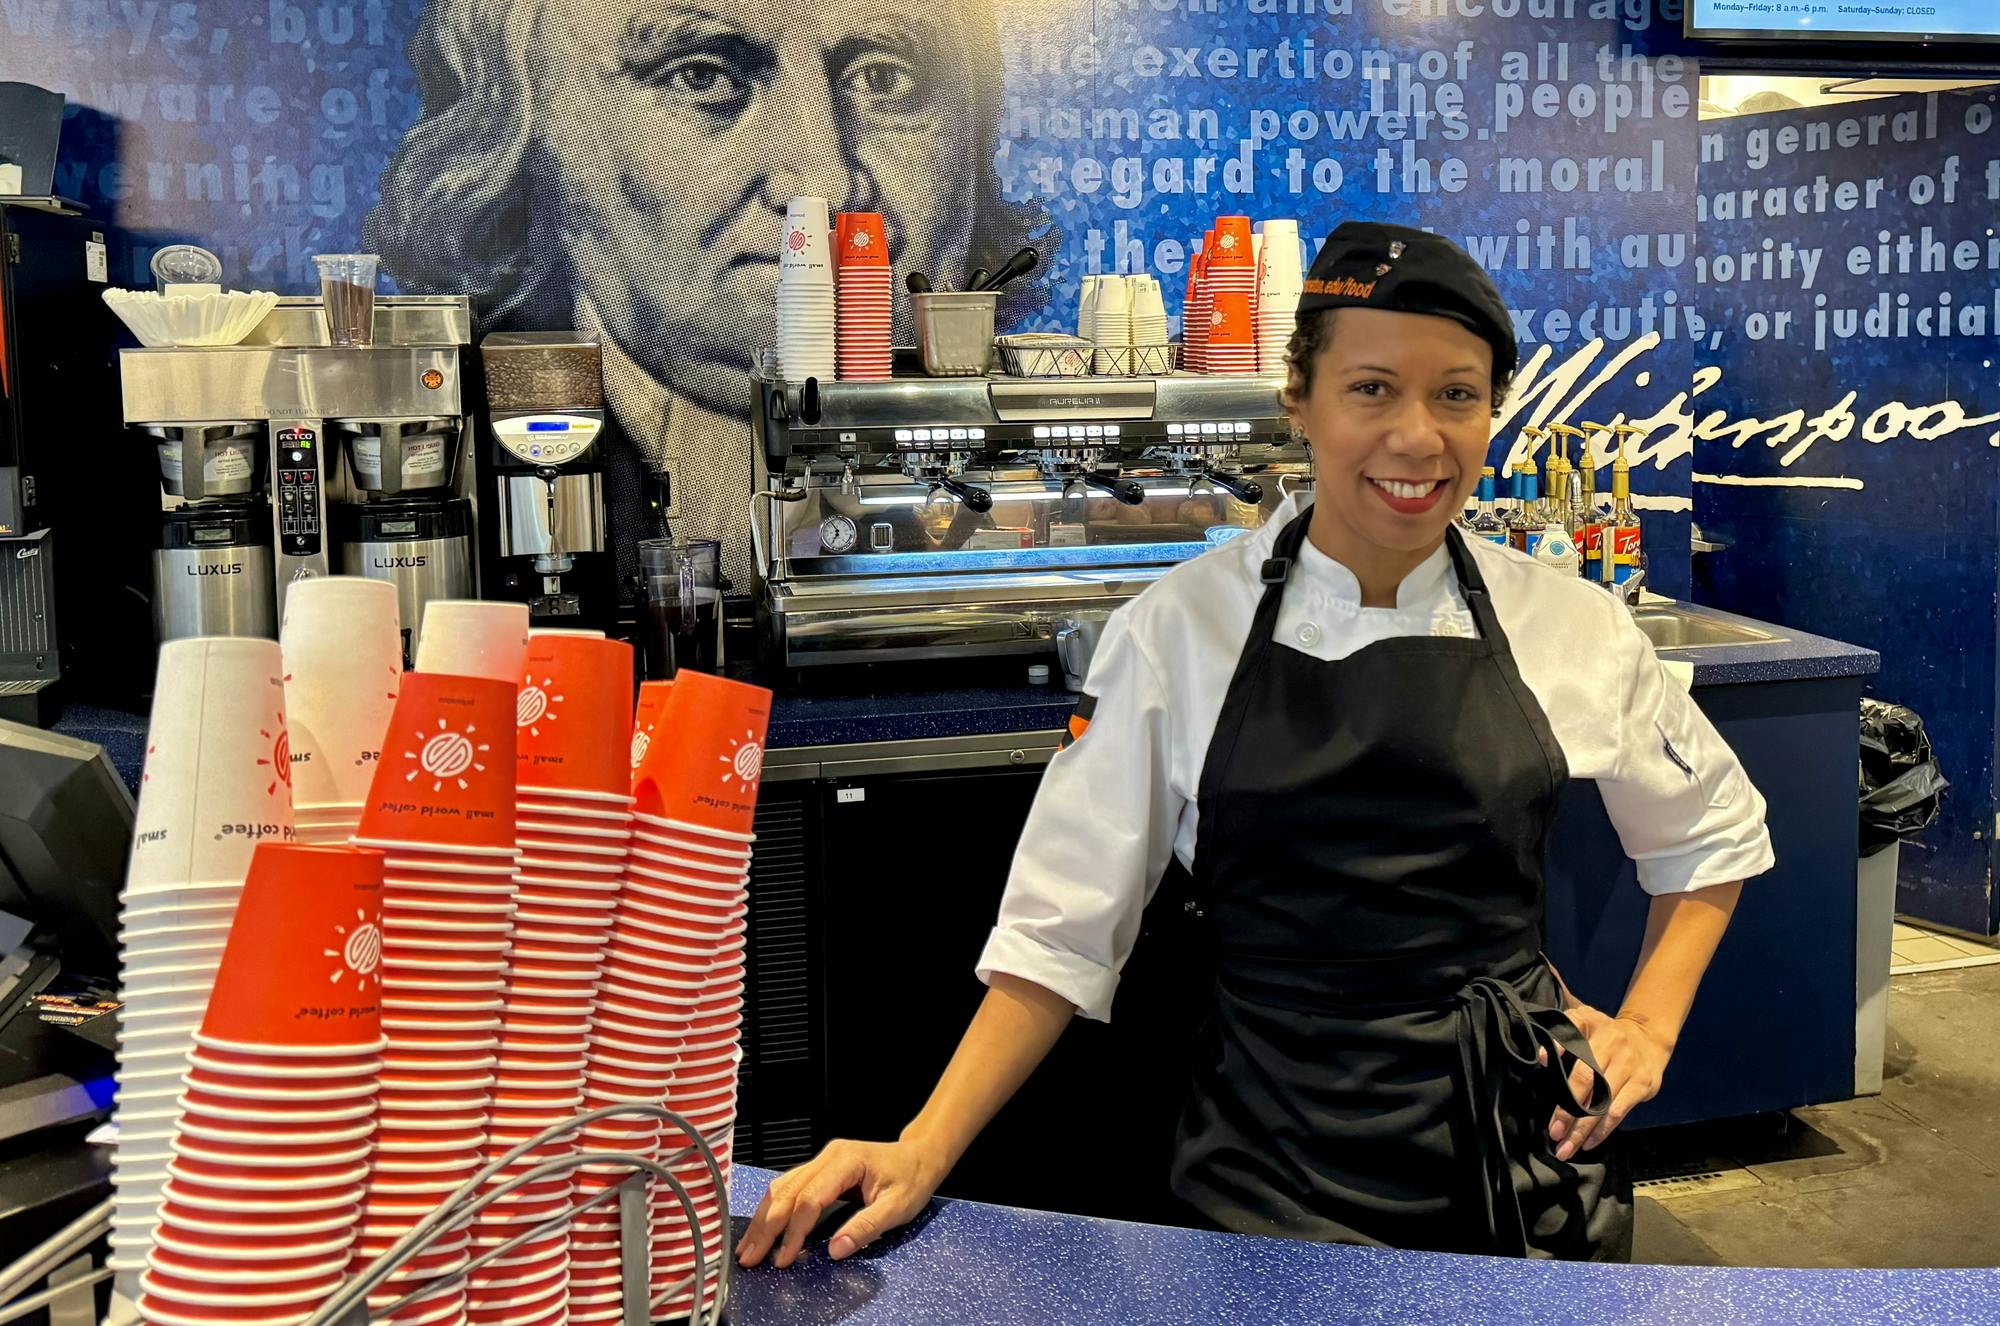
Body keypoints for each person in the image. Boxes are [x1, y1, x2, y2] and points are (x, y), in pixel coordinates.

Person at [737, 223, 1772, 1266]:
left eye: (1455, 395)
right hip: (1268, 1169)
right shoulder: (1180, 630)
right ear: (1299, 401)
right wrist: (920, 1149)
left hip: (1518, 1161)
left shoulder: (1568, 624)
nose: (1416, 437)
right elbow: (1058, 936)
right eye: (1370, 389)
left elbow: (1710, 837)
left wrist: (1648, 1028)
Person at [368, 0, 1053, 583]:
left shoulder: (1023, 481)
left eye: (883, 78)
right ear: (529, 135)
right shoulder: (459, 465)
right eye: (701, 75)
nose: (824, 182)